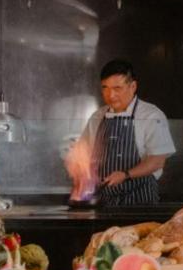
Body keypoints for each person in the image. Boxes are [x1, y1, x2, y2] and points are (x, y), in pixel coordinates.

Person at [71, 59, 175, 205]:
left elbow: (157, 161)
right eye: (105, 88)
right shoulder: (97, 117)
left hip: (140, 199)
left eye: (117, 88)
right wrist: (80, 173)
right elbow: (83, 153)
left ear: (133, 86)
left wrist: (126, 175)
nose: (110, 95)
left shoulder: (151, 116)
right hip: (103, 202)